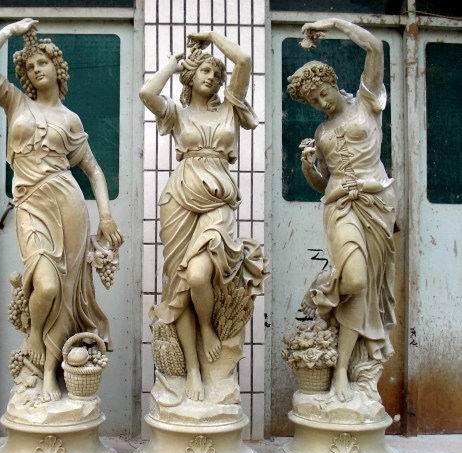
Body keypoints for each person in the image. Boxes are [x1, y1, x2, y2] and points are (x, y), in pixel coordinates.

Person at [0, 18, 123, 402]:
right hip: (31, 205)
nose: (36, 69)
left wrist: (105, 216)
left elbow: (94, 171)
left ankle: (52, 372)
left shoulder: (71, 120)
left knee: (66, 293)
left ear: (57, 68)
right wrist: (8, 32)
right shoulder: (15, 102)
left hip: (68, 205)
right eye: (30, 66)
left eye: (43, 63)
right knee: (47, 285)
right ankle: (35, 336)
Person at [140, 32, 262, 401]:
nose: (212, 76)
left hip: (218, 203)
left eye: (217, 73)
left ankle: (208, 328)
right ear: (190, 77)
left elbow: (244, 61)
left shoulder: (230, 108)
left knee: (197, 275)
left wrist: (211, 38)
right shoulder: (177, 113)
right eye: (205, 71)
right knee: (178, 287)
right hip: (178, 200)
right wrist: (173, 64)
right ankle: (192, 370)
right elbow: (147, 93)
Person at [288, 18, 396, 401]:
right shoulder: (321, 133)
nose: (321, 103)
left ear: (332, 82)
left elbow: (375, 48)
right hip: (339, 206)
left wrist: (334, 23)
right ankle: (325, 290)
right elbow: (323, 184)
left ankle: (342, 371)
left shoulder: (367, 101)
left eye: (322, 94)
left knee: (365, 289)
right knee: (354, 280)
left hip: (376, 203)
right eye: (313, 102)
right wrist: (309, 168)